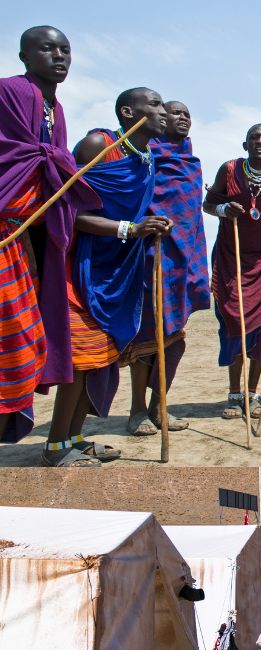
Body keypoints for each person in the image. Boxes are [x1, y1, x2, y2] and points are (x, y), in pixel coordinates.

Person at [43, 87, 170, 467]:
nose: (163, 111)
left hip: (119, 270)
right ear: (129, 112)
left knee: (101, 359)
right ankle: (54, 447)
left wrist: (152, 225)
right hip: (82, 267)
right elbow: (67, 211)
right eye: (156, 104)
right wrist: (131, 229)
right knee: (82, 357)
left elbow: (135, 211)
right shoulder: (99, 145)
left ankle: (75, 437)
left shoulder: (147, 158)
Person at [0, 26, 99, 447]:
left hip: (30, 243)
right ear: (24, 56)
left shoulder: (54, 109)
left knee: (28, 338)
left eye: (66, 50)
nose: (60, 57)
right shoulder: (11, 92)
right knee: (13, 338)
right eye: (47, 49)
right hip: (7, 235)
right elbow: (12, 158)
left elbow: (52, 168)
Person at [124, 100, 210, 436]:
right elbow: (135, 201)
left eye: (188, 114)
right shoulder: (146, 156)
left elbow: (193, 219)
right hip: (153, 255)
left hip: (184, 260)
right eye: (176, 113)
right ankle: (135, 411)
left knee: (174, 338)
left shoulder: (192, 163)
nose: (182, 118)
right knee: (147, 338)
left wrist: (198, 265)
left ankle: (160, 406)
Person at [204, 124, 261, 420]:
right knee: (234, 328)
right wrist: (223, 210)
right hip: (232, 259)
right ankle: (233, 395)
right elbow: (208, 203)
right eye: (254, 138)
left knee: (260, 329)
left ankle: (253, 395)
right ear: (245, 144)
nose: (260, 142)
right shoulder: (229, 170)